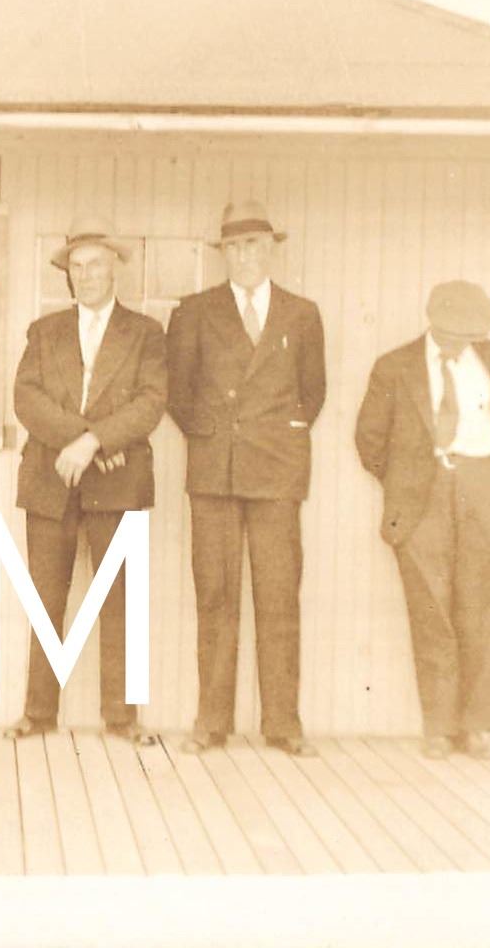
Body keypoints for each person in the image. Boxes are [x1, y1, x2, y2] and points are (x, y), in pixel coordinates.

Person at [354, 280, 490, 759]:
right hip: (421, 493)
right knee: (431, 609)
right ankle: (439, 726)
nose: (459, 345)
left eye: (469, 337)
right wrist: (408, 478)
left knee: (482, 607)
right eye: (451, 336)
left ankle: (477, 727)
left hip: (480, 483)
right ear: (432, 323)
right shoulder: (394, 366)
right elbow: (369, 440)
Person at [165, 199, 326, 757]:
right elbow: (179, 394)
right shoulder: (194, 311)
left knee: (279, 596)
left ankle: (283, 723)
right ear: (223, 254)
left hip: (277, 474)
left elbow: (313, 393)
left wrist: (275, 434)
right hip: (216, 472)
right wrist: (216, 435)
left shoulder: (302, 314)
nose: (243, 256)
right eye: (233, 247)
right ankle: (211, 722)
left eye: (253, 244)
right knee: (215, 596)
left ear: (272, 248)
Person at [6, 215, 167, 746]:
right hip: (51, 478)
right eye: (77, 266)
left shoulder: (145, 334)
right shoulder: (44, 331)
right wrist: (83, 439)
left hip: (118, 484)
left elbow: (151, 402)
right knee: (45, 599)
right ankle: (38, 713)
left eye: (95, 264)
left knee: (119, 600)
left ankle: (122, 718)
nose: (87, 274)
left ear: (114, 266)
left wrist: (95, 442)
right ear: (68, 274)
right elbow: (26, 398)